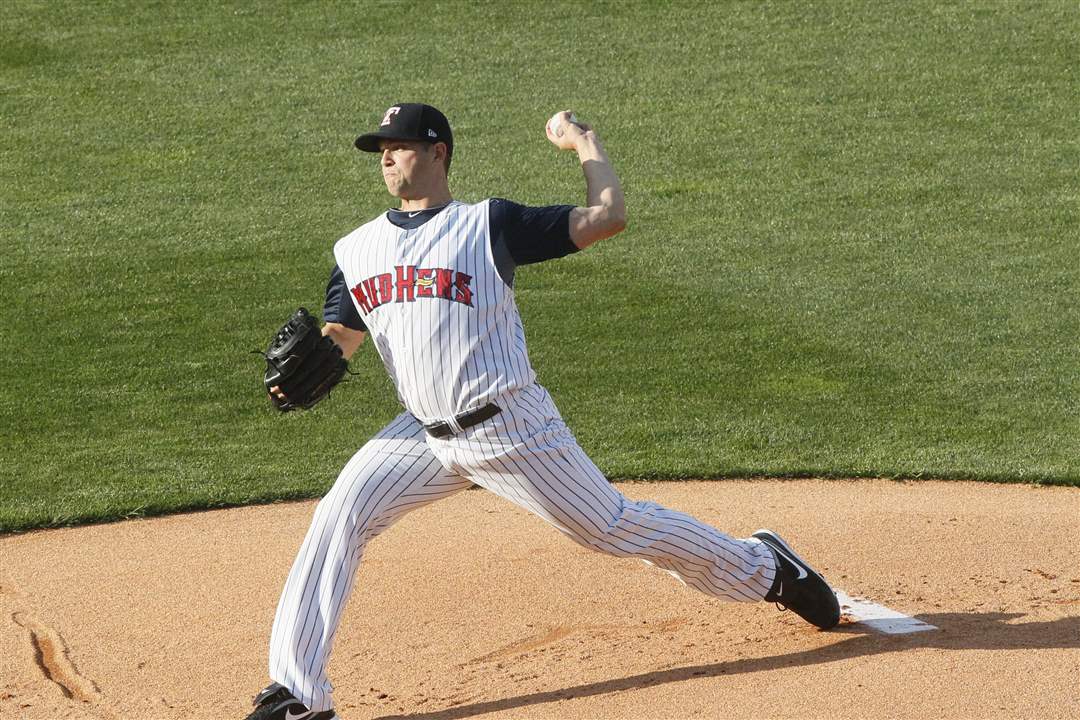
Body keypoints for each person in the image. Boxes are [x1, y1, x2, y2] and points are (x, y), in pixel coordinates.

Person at [245, 103, 840, 720]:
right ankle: (297, 695)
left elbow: (607, 217)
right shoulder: (356, 248)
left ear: (439, 152)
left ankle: (765, 566)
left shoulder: (487, 225)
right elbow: (342, 337)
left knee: (612, 527)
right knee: (338, 516)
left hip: (512, 428)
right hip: (421, 437)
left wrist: (585, 143)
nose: (387, 156)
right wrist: (307, 368)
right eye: (380, 149)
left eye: (399, 145)